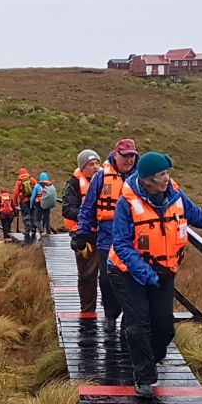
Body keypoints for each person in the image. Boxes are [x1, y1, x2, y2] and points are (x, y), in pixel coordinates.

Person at [106, 152, 202, 397]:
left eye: (167, 173)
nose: (167, 178)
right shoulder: (126, 204)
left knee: (164, 326)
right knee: (139, 323)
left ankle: (150, 357)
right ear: (147, 180)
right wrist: (145, 272)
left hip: (163, 272)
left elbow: (195, 215)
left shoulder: (174, 194)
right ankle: (144, 377)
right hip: (126, 272)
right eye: (162, 175)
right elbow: (120, 244)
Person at [74, 139, 140, 329]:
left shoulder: (141, 179)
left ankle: (129, 318)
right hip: (106, 236)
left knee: (132, 277)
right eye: (125, 156)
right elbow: (88, 208)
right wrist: (83, 234)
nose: (129, 160)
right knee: (106, 279)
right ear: (116, 155)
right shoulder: (101, 177)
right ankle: (111, 314)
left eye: (132, 156)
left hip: (133, 238)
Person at [63, 149, 102, 312]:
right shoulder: (73, 184)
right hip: (84, 237)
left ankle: (111, 314)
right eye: (91, 164)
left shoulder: (106, 182)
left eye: (97, 163)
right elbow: (67, 209)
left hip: (105, 235)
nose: (95, 167)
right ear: (82, 167)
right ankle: (87, 311)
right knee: (87, 276)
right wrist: (89, 215)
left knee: (110, 277)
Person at [12, 168, 37, 241]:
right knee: (33, 214)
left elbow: (15, 193)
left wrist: (15, 203)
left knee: (26, 215)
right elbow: (38, 188)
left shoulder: (19, 182)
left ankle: (27, 230)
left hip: (23, 201)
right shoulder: (32, 179)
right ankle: (34, 229)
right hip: (32, 201)